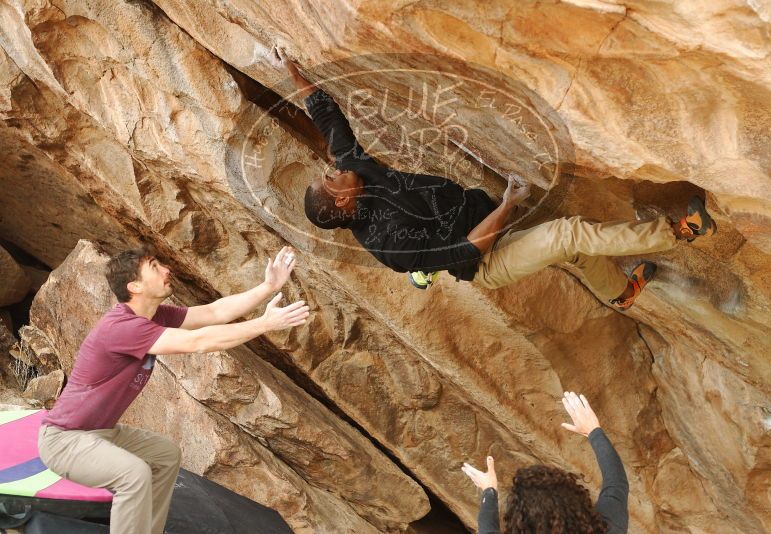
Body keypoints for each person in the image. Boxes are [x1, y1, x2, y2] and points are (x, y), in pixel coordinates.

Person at [271, 49, 716, 310]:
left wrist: (290, 70)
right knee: (567, 234)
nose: (333, 171)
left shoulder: (357, 173)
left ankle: (621, 293)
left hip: (484, 213)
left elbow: (330, 121)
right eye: (331, 182)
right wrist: (509, 203)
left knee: (576, 252)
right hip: (486, 260)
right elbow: (465, 250)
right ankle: (680, 231)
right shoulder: (388, 243)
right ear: (343, 205)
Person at [38, 245, 310, 534]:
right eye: (155, 267)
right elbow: (198, 342)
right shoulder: (122, 328)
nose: (167, 270)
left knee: (164, 455)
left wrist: (268, 286)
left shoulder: (155, 317)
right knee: (133, 474)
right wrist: (264, 323)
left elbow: (214, 312)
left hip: (100, 434)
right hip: (65, 440)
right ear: (135, 286)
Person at [462, 392, 628, 533]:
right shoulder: (609, 526)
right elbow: (616, 482)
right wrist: (593, 431)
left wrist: (489, 491)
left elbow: (487, 529)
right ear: (574, 498)